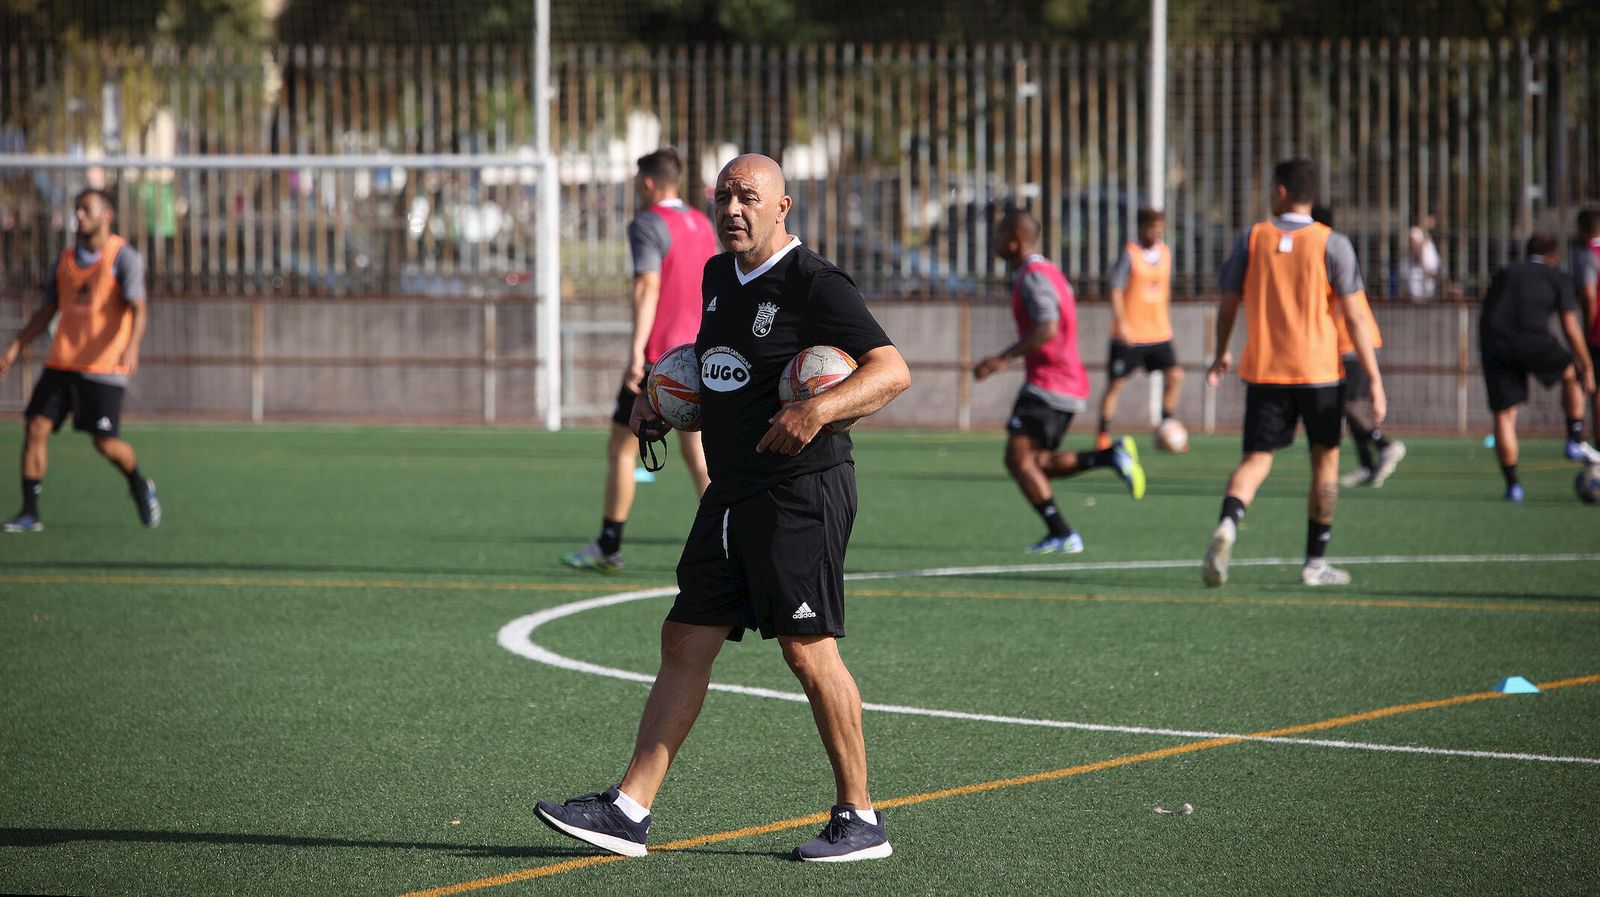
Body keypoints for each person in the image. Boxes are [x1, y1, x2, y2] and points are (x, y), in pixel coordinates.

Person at [535, 154, 912, 862]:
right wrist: (663, 404)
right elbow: (724, 380)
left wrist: (817, 410)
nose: (733, 209)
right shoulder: (717, 276)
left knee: (807, 649)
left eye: (749, 197)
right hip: (731, 489)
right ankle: (629, 810)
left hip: (801, 489)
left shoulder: (816, 283)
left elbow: (892, 372)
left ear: (783, 207)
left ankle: (860, 817)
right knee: (685, 637)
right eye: (724, 196)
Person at [1203, 159, 1384, 587]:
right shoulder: (1333, 243)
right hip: (1320, 374)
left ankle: (1228, 522)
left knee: (1255, 460)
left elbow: (1227, 305)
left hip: (1265, 371)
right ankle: (1314, 563)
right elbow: (1356, 316)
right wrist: (1374, 379)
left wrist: (1222, 351)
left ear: (1282, 191)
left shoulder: (1251, 238)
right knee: (1326, 462)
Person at [563, 149, 715, 573]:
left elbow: (648, 287)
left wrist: (635, 353)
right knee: (699, 454)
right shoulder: (702, 222)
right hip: (701, 354)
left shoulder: (647, 223)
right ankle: (732, 541)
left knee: (622, 447)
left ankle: (608, 545)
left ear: (648, 183)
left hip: (661, 363)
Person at [973, 209, 1145, 555]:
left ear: (1014, 240)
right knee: (1037, 464)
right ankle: (1109, 458)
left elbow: (1048, 327)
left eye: (999, 233)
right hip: (1064, 383)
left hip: (1049, 383)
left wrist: (1002, 358)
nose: (993, 241)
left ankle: (1063, 533)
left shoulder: (1033, 277)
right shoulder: (1049, 270)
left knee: (1019, 461)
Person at [1, 188, 160, 533]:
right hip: (62, 362)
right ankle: (30, 511)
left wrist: (133, 345)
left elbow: (139, 308)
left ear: (107, 215)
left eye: (87, 209)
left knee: (106, 443)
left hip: (103, 367)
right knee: (35, 426)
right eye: (77, 209)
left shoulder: (123, 257)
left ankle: (137, 483)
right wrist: (16, 346)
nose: (80, 216)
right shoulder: (65, 261)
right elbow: (47, 310)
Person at [1479, 233, 1600, 502]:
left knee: (1504, 415)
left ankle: (1513, 486)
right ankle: (1574, 439)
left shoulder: (1505, 273)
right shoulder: (1557, 276)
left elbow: (1488, 311)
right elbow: (1570, 327)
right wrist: (1586, 364)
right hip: (1533, 338)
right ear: (1553, 257)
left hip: (1494, 342)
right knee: (1572, 375)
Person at [1311, 206, 1406, 488]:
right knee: (1346, 407)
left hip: (1352, 343)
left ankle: (1383, 444)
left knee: (1346, 403)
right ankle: (1366, 464)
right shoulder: (1333, 252)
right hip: (1347, 342)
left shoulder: (1326, 254)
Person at [1096, 207, 1183, 450]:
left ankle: (1166, 425)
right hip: (1130, 334)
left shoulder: (1165, 253)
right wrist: (1122, 323)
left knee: (1175, 375)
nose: (1156, 233)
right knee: (1116, 384)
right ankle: (1102, 433)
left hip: (1159, 332)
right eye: (1152, 228)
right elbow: (1115, 290)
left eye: (1160, 229)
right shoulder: (1130, 254)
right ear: (1142, 228)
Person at [1575, 208, 1600, 449]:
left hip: (1598, 333)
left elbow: (1590, 295)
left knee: (1596, 388)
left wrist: (1588, 328)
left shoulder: (1588, 255)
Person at [1402, 214, 1441, 301]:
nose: (1434, 222)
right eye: (1431, 218)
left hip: (1429, 278)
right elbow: (1416, 254)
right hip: (1418, 278)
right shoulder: (1415, 232)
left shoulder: (1428, 235)